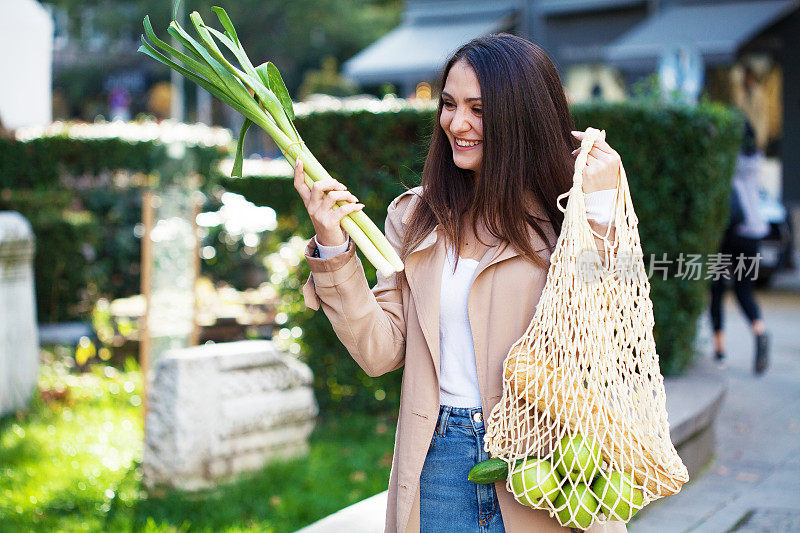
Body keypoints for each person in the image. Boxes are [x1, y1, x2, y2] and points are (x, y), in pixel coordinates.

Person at [296, 34, 626, 532]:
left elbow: (604, 329)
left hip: (543, 457)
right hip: (439, 460)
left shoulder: (570, 213)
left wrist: (601, 210)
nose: (457, 123)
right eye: (449, 105)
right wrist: (333, 246)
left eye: (479, 108)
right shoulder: (414, 216)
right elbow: (380, 350)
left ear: (521, 117)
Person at [710, 123, 771, 374]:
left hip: (729, 235)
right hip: (753, 234)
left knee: (717, 289)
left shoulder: (726, 159)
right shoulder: (755, 160)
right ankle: (760, 330)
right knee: (744, 290)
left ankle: (720, 350)